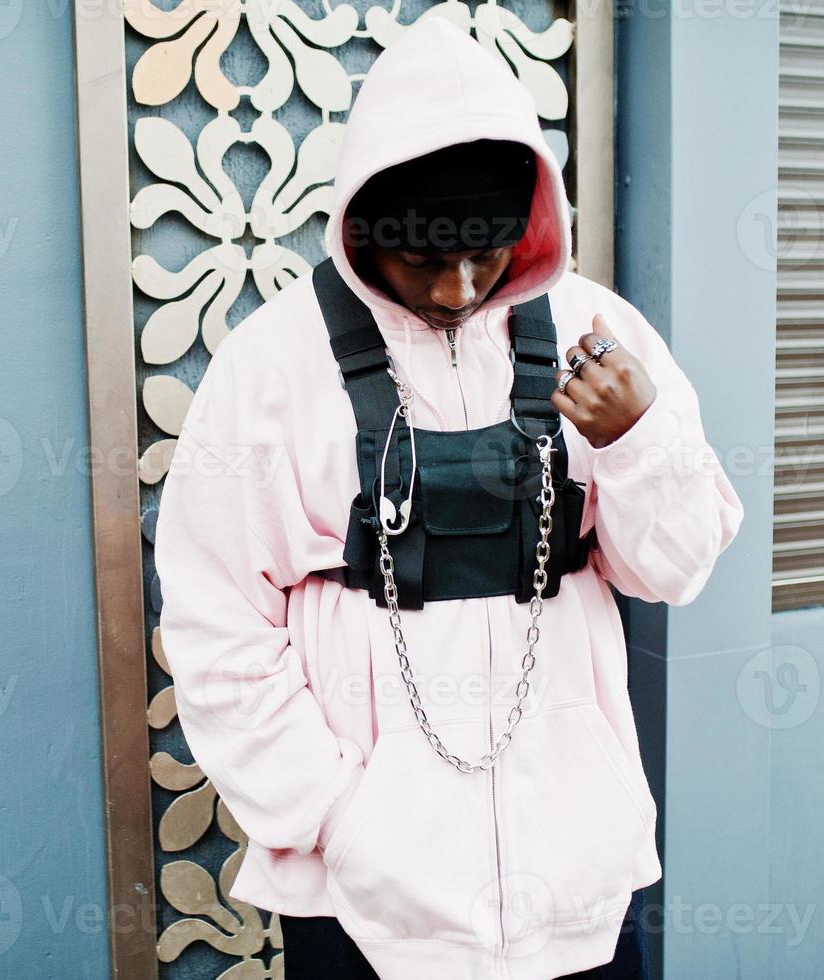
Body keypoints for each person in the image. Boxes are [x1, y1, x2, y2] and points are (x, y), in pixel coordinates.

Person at [153, 16, 744, 980]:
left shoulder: (601, 332)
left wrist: (636, 442)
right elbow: (217, 620)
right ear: (361, 230)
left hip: (574, 888)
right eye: (422, 261)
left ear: (527, 225)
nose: (459, 288)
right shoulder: (273, 362)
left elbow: (672, 573)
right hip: (361, 900)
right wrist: (337, 818)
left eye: (486, 253)